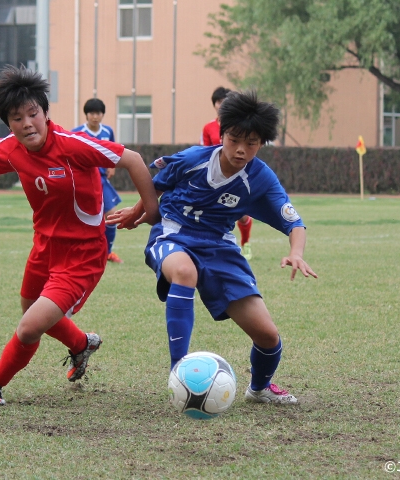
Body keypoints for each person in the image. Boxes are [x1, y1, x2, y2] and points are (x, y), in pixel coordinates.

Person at [0, 65, 160, 405]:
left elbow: (134, 160)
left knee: (29, 326)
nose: (27, 124)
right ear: (8, 123)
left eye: (33, 114)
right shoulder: (9, 147)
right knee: (31, 312)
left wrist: (147, 211)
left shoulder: (72, 144)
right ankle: (82, 344)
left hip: (81, 254)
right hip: (43, 248)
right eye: (17, 118)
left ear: (46, 113)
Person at [108, 90, 318, 404]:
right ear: (222, 134)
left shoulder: (261, 178)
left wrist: (296, 253)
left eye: (252, 143)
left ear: (262, 143)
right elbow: (156, 185)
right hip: (173, 234)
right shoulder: (194, 159)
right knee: (183, 271)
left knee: (268, 336)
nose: (241, 150)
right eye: (234, 139)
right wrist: (137, 212)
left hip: (220, 247)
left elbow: (294, 222)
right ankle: (178, 372)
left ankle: (259, 389)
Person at [201, 87, 254, 260]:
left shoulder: (240, 126)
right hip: (215, 175)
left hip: (238, 175)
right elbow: (205, 151)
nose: (221, 105)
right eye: (218, 102)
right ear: (214, 105)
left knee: (242, 214)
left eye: (225, 102)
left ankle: (245, 244)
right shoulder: (208, 127)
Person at [72, 98, 124, 263]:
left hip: (101, 179)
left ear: (103, 115)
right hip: (84, 181)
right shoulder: (77, 132)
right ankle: (81, 253)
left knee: (112, 215)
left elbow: (113, 151)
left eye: (98, 113)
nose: (95, 116)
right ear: (86, 115)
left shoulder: (107, 131)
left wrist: (113, 166)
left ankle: (107, 253)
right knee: (83, 219)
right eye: (91, 113)